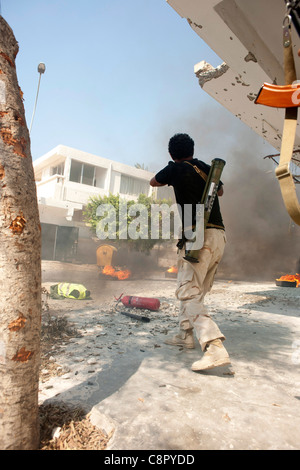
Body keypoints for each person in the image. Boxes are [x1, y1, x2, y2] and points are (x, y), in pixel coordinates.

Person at [150, 133, 230, 371]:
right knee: (195, 290)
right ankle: (185, 336)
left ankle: (214, 347)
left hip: (198, 235)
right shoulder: (206, 168)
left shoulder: (175, 169)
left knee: (187, 291)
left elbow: (153, 182)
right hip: (218, 236)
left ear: (171, 153)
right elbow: (221, 192)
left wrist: (172, 168)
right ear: (192, 150)